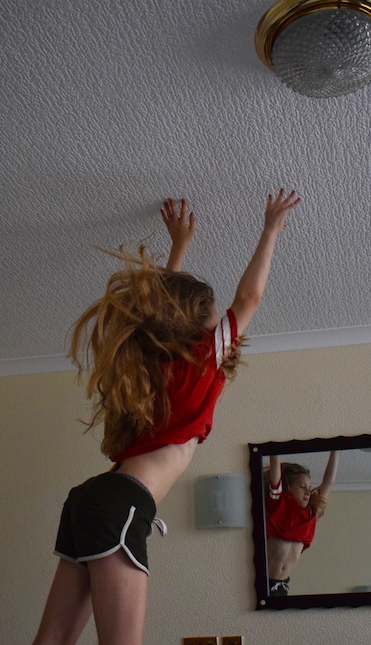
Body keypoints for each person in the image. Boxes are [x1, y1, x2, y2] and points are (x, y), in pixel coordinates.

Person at [32, 189, 302, 645]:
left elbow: (161, 313)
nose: (219, 320)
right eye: (212, 314)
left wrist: (179, 249)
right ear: (197, 323)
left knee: (51, 640)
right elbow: (249, 297)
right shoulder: (199, 362)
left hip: (96, 499)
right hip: (119, 501)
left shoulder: (148, 373)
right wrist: (270, 230)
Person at [265, 450, 339, 596]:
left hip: (282, 585)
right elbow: (275, 467)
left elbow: (328, 483)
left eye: (309, 488)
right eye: (302, 486)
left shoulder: (311, 514)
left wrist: (335, 450)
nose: (308, 492)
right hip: (265, 580)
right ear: (288, 488)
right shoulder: (279, 502)